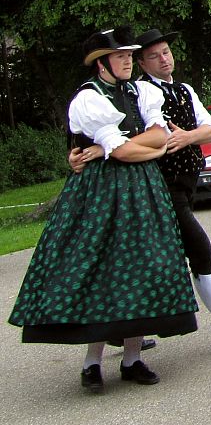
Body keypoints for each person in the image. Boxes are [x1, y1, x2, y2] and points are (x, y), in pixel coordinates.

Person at [8, 27, 198, 392]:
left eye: (129, 55)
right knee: (102, 268)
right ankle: (92, 362)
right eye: (120, 56)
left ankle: (132, 359)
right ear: (101, 63)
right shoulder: (87, 99)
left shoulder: (143, 91)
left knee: (143, 267)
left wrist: (131, 148)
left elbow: (157, 136)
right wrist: (137, 149)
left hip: (143, 190)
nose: (128, 60)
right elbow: (128, 151)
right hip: (99, 192)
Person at [134, 29, 211, 351]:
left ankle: (126, 330)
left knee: (151, 258)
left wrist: (187, 137)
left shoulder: (184, 90)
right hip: (160, 188)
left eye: (166, 52)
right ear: (142, 62)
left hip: (185, 185)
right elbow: (150, 133)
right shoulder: (142, 92)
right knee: (199, 251)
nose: (164, 59)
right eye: (155, 56)